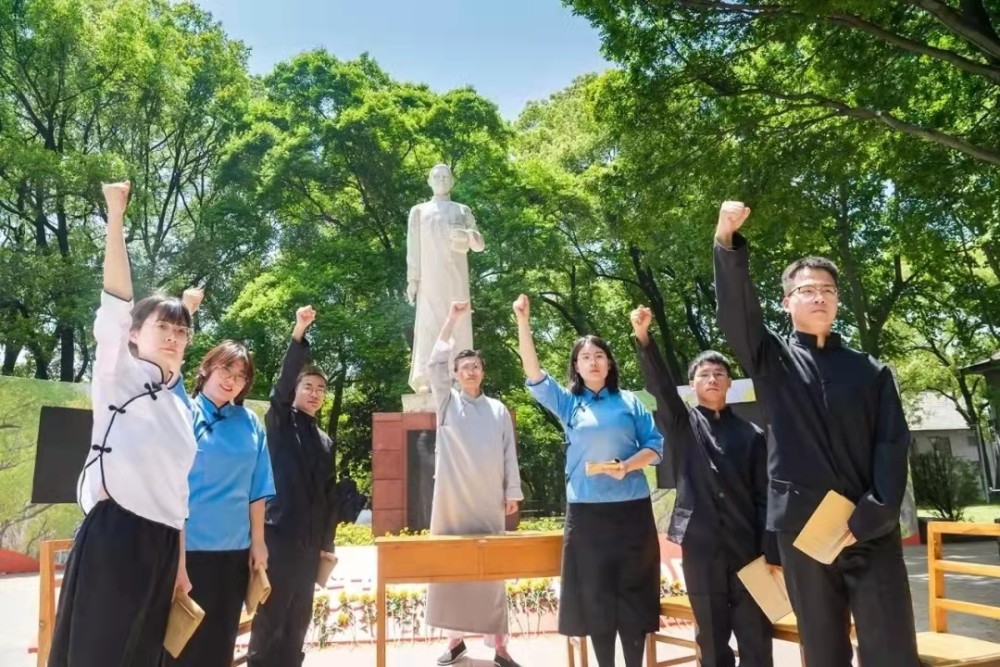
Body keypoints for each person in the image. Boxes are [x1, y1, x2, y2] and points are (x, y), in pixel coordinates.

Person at [713, 201, 919, 667]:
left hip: (871, 527)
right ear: (787, 302)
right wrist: (726, 242)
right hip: (806, 530)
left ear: (838, 300)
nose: (820, 297)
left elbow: (892, 444)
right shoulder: (774, 362)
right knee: (823, 649)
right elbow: (736, 318)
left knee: (891, 647)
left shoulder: (870, 371)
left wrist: (872, 514)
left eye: (828, 289)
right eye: (807, 290)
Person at [48, 181, 197, 666]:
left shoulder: (181, 407)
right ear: (135, 334)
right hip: (114, 534)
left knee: (142, 657)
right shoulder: (118, 372)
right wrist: (116, 215)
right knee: (97, 654)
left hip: (160, 545)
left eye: (181, 331)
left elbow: (178, 496)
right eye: (162, 327)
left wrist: (179, 566)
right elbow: (114, 299)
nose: (173, 336)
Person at [513, 294, 663, 667]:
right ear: (576, 367)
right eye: (585, 357)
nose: (593, 361)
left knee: (632, 592)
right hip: (586, 513)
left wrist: (627, 467)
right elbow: (533, 373)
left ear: (609, 363)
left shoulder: (630, 402)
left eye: (599, 355)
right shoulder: (568, 404)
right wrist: (523, 322)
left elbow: (656, 447)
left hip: (632, 510)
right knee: (595, 595)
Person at [630, 305, 774, 667]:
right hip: (701, 545)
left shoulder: (752, 435)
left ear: (729, 384)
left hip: (747, 549)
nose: (712, 379)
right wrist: (644, 339)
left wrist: (769, 549)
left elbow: (764, 496)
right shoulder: (682, 426)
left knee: (755, 634)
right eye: (704, 374)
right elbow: (661, 389)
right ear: (692, 385)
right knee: (710, 636)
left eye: (719, 374)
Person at [163, 340, 276, 666]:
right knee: (179, 646)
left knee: (220, 643)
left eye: (240, 376)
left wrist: (259, 544)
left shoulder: (251, 423)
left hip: (234, 555)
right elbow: (172, 491)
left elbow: (257, 489)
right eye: (226, 369)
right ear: (206, 368)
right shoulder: (183, 412)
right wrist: (178, 561)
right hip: (189, 554)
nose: (231, 380)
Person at [425, 301, 524, 667]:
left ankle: (499, 646)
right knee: (451, 571)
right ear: (455, 374)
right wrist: (451, 320)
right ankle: (454, 642)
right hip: (450, 502)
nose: (470, 371)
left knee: (491, 572)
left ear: (483, 372)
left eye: (475, 366)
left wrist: (511, 491)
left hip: (486, 503)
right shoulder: (446, 402)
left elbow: (507, 452)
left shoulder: (498, 409)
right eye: (463, 367)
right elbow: (434, 364)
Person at [247, 305, 339, 667]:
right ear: (296, 391)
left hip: (310, 545)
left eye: (320, 389)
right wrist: (299, 332)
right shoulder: (281, 424)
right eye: (308, 387)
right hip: (278, 539)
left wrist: (326, 546)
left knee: (299, 619)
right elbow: (280, 390)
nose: (315, 394)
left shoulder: (325, 441)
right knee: (270, 618)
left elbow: (327, 498)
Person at [405, 163, 485, 393]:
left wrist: (466, 235)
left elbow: (479, 244)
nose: (441, 179)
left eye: (445, 176)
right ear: (429, 181)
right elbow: (413, 246)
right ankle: (426, 379)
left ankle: (458, 376)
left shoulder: (462, 210)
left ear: (452, 181)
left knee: (459, 325)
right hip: (429, 280)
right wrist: (413, 278)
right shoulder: (419, 211)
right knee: (429, 325)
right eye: (436, 176)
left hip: (456, 280)